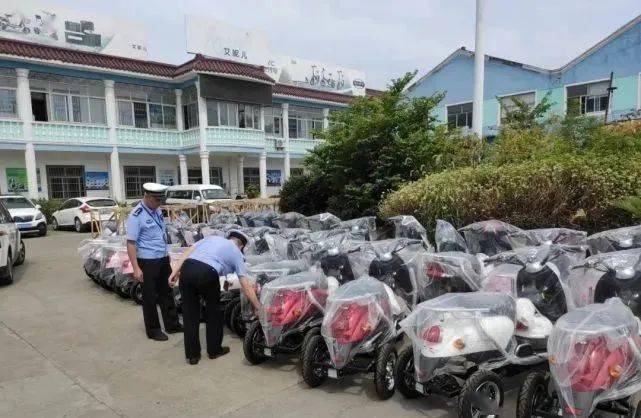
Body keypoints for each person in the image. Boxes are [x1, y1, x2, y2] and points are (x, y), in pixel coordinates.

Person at [168, 229, 261, 365]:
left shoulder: (210, 239)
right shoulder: (236, 253)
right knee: (213, 312)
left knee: (189, 313)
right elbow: (244, 283)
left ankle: (192, 356)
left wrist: (174, 272)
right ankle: (214, 350)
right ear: (241, 246)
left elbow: (188, 251)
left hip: (187, 269)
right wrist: (257, 306)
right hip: (207, 273)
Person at [126, 183, 182, 341]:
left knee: (167, 292)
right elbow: (130, 243)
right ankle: (153, 330)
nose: (159, 203)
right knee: (149, 296)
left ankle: (172, 324)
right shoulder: (136, 215)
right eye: (157, 200)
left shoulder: (156, 210)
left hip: (162, 258)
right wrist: (136, 268)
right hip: (147, 261)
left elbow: (160, 234)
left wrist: (166, 255)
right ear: (148, 197)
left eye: (160, 200)